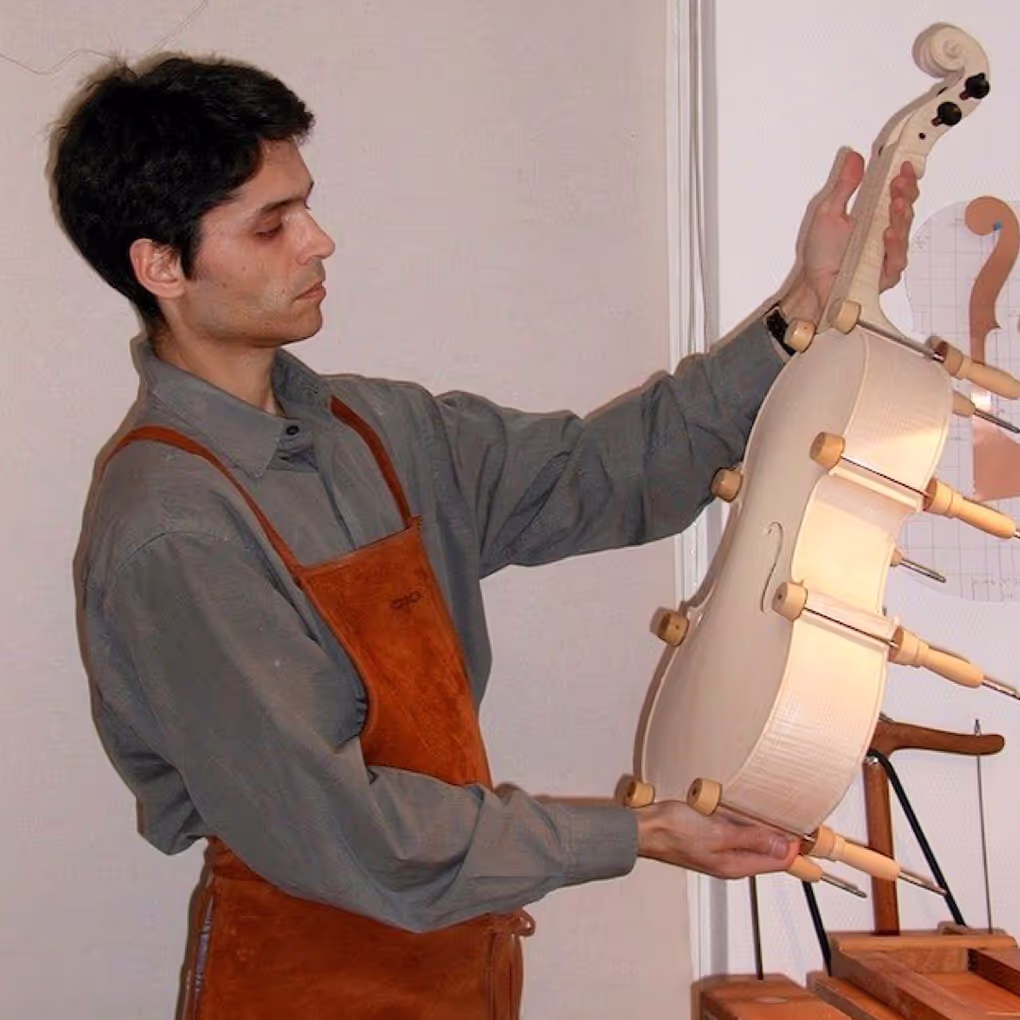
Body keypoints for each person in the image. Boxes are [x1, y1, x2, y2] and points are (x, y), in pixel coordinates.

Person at [53, 54, 917, 1019]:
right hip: (301, 982)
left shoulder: (379, 433)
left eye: (306, 204)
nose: (320, 241)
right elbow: (353, 833)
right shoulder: (170, 526)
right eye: (271, 223)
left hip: (462, 967)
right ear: (160, 265)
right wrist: (638, 835)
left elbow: (608, 471)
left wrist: (805, 304)